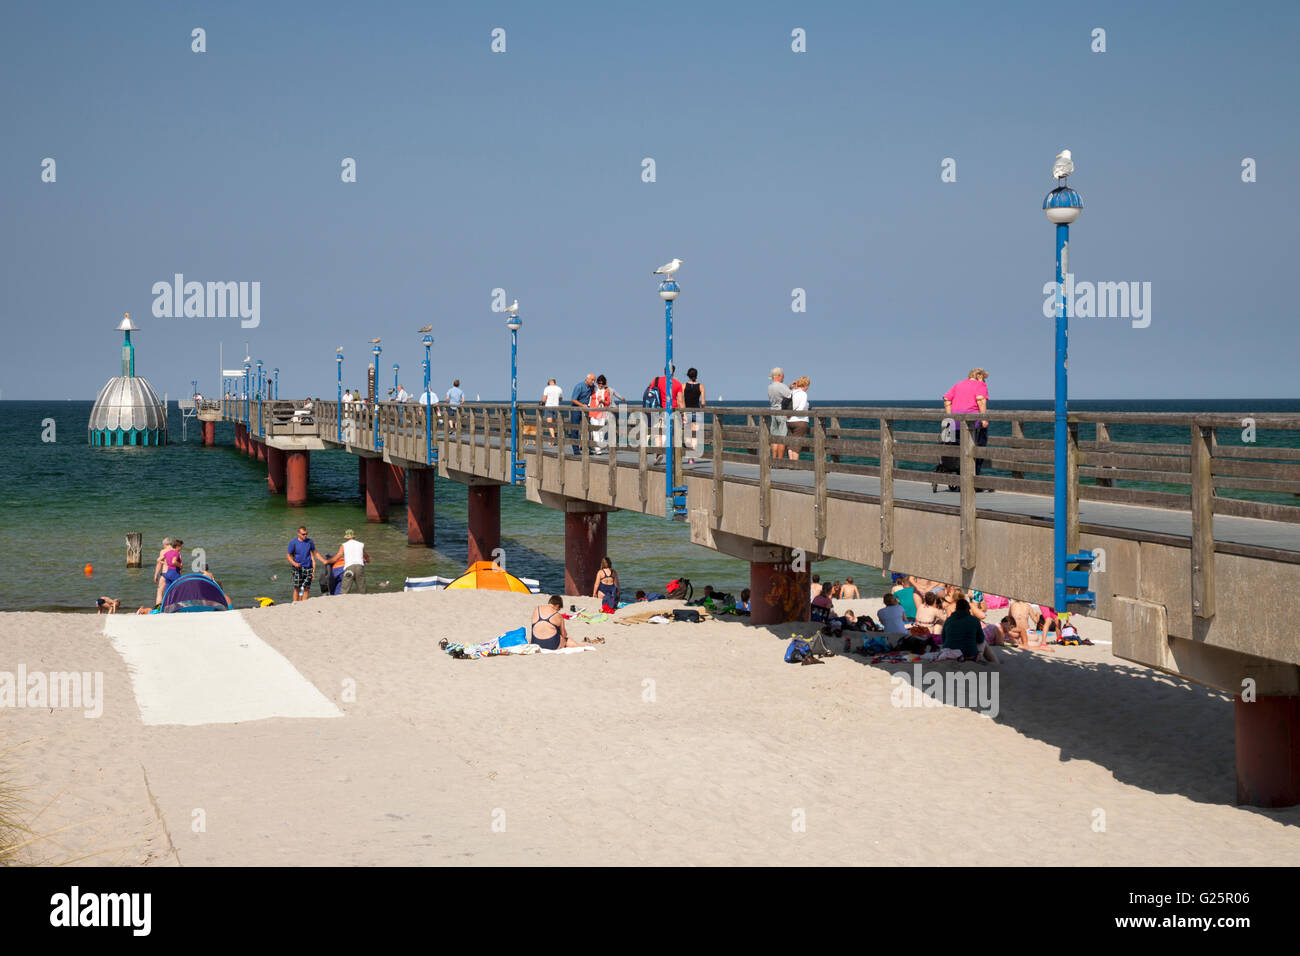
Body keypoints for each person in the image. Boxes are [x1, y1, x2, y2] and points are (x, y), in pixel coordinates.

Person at [941, 367, 991, 487]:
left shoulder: (958, 384)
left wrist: (950, 417)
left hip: (955, 423)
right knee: (978, 450)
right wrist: (984, 418)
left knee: (957, 448)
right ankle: (974, 482)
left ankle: (960, 478)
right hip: (973, 423)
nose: (984, 382)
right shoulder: (980, 385)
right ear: (980, 377)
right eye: (984, 379)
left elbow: (947, 400)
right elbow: (981, 401)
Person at [941, 598, 995, 662]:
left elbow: (943, 639)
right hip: (968, 655)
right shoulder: (974, 620)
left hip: (949, 653)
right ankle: (996, 663)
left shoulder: (948, 620)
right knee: (984, 642)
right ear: (968, 609)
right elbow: (981, 639)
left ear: (956, 609)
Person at [286, 526, 325, 603]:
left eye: (306, 534)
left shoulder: (310, 542)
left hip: (308, 567)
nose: (305, 536)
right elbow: (288, 555)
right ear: (298, 534)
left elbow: (315, 553)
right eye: (303, 534)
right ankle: (295, 602)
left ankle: (304, 603)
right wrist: (294, 563)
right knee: (297, 587)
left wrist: (324, 561)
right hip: (297, 568)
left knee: (306, 588)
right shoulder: (293, 543)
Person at [325, 529, 369, 594]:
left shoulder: (344, 545)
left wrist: (327, 562)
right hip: (360, 567)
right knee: (362, 589)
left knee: (345, 590)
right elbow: (365, 556)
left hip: (349, 568)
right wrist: (368, 560)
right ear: (354, 537)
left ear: (346, 537)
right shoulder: (361, 544)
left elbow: (337, 556)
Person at [767, 367, 792, 461]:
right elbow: (790, 395)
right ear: (778, 376)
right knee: (782, 437)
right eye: (782, 376)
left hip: (773, 412)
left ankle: (773, 459)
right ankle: (780, 461)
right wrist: (791, 388)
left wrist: (788, 387)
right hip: (782, 413)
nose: (783, 378)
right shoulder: (781, 386)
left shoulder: (770, 387)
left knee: (774, 437)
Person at [683, 367, 705, 463]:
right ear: (696, 376)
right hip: (697, 411)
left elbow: (681, 399)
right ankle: (692, 456)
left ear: (688, 375)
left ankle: (690, 456)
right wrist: (701, 410)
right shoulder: (701, 387)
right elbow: (703, 402)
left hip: (686, 412)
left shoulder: (683, 386)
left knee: (688, 435)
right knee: (695, 435)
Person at [570, 373, 596, 454]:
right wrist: (582, 405)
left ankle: (587, 448)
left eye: (594, 380)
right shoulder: (579, 386)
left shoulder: (592, 387)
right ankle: (576, 449)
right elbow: (573, 399)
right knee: (575, 429)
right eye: (592, 380)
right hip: (576, 409)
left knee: (587, 428)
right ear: (587, 379)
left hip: (585, 410)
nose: (593, 381)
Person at [787, 376, 810, 460]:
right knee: (797, 443)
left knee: (791, 442)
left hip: (789, 420)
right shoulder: (803, 394)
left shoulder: (792, 392)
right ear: (805, 385)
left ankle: (791, 463)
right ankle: (795, 465)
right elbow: (801, 408)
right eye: (808, 385)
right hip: (800, 421)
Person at [155, 538, 183, 607]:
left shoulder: (165, 552)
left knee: (165, 591)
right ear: (178, 547)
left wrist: (165, 563)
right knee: (178, 590)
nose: (181, 548)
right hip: (174, 573)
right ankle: (177, 606)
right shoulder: (177, 553)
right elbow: (175, 562)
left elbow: (158, 560)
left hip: (167, 574)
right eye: (181, 547)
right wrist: (180, 566)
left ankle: (163, 607)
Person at [589, 375, 612, 454]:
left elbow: (608, 403)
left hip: (602, 413)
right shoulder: (593, 389)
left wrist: (603, 401)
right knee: (595, 431)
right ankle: (597, 448)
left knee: (601, 431)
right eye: (599, 383)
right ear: (597, 382)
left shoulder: (606, 391)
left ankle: (600, 446)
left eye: (602, 383)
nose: (600, 385)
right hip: (593, 412)